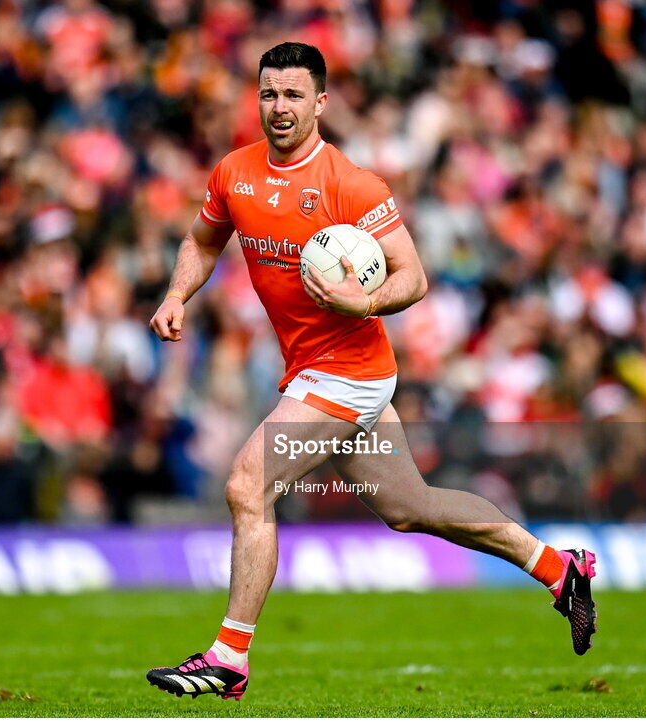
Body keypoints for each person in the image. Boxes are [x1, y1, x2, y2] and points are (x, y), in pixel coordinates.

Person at [146, 42, 598, 701]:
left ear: (320, 103)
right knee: (411, 508)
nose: (279, 107)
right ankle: (561, 569)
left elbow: (412, 275)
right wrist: (175, 295)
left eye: (294, 95)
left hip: (349, 374)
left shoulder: (353, 185)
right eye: (269, 93)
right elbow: (201, 239)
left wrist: (367, 299)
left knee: (249, 485)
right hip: (316, 371)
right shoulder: (234, 173)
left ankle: (228, 658)